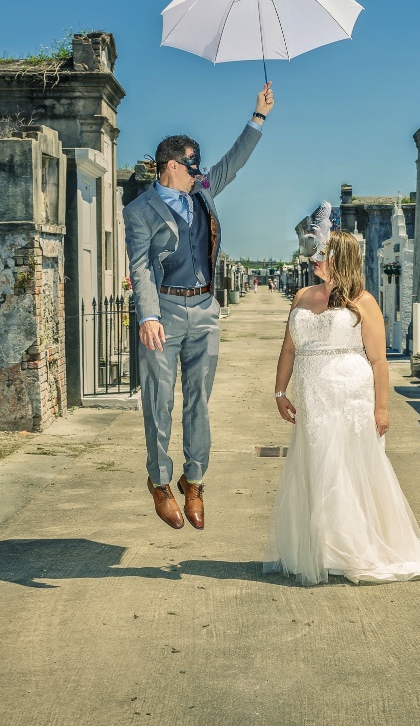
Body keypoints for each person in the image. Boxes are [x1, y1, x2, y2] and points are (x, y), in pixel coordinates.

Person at [264, 202, 420, 585]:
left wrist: (381, 408)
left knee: (345, 468)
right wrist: (280, 391)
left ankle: (353, 548)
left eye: (323, 252)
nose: (315, 257)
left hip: (350, 393)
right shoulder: (302, 296)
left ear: (341, 258)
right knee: (316, 464)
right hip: (312, 394)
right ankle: (323, 548)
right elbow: (288, 349)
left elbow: (379, 361)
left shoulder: (363, 301)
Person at [124, 83, 274, 530]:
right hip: (165, 312)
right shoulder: (140, 210)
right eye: (192, 164)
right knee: (158, 401)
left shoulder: (202, 191)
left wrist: (258, 117)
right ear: (172, 166)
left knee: (199, 401)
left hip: (205, 310)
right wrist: (148, 316)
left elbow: (233, 162)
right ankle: (159, 480)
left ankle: (195, 480)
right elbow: (140, 266)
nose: (199, 171)